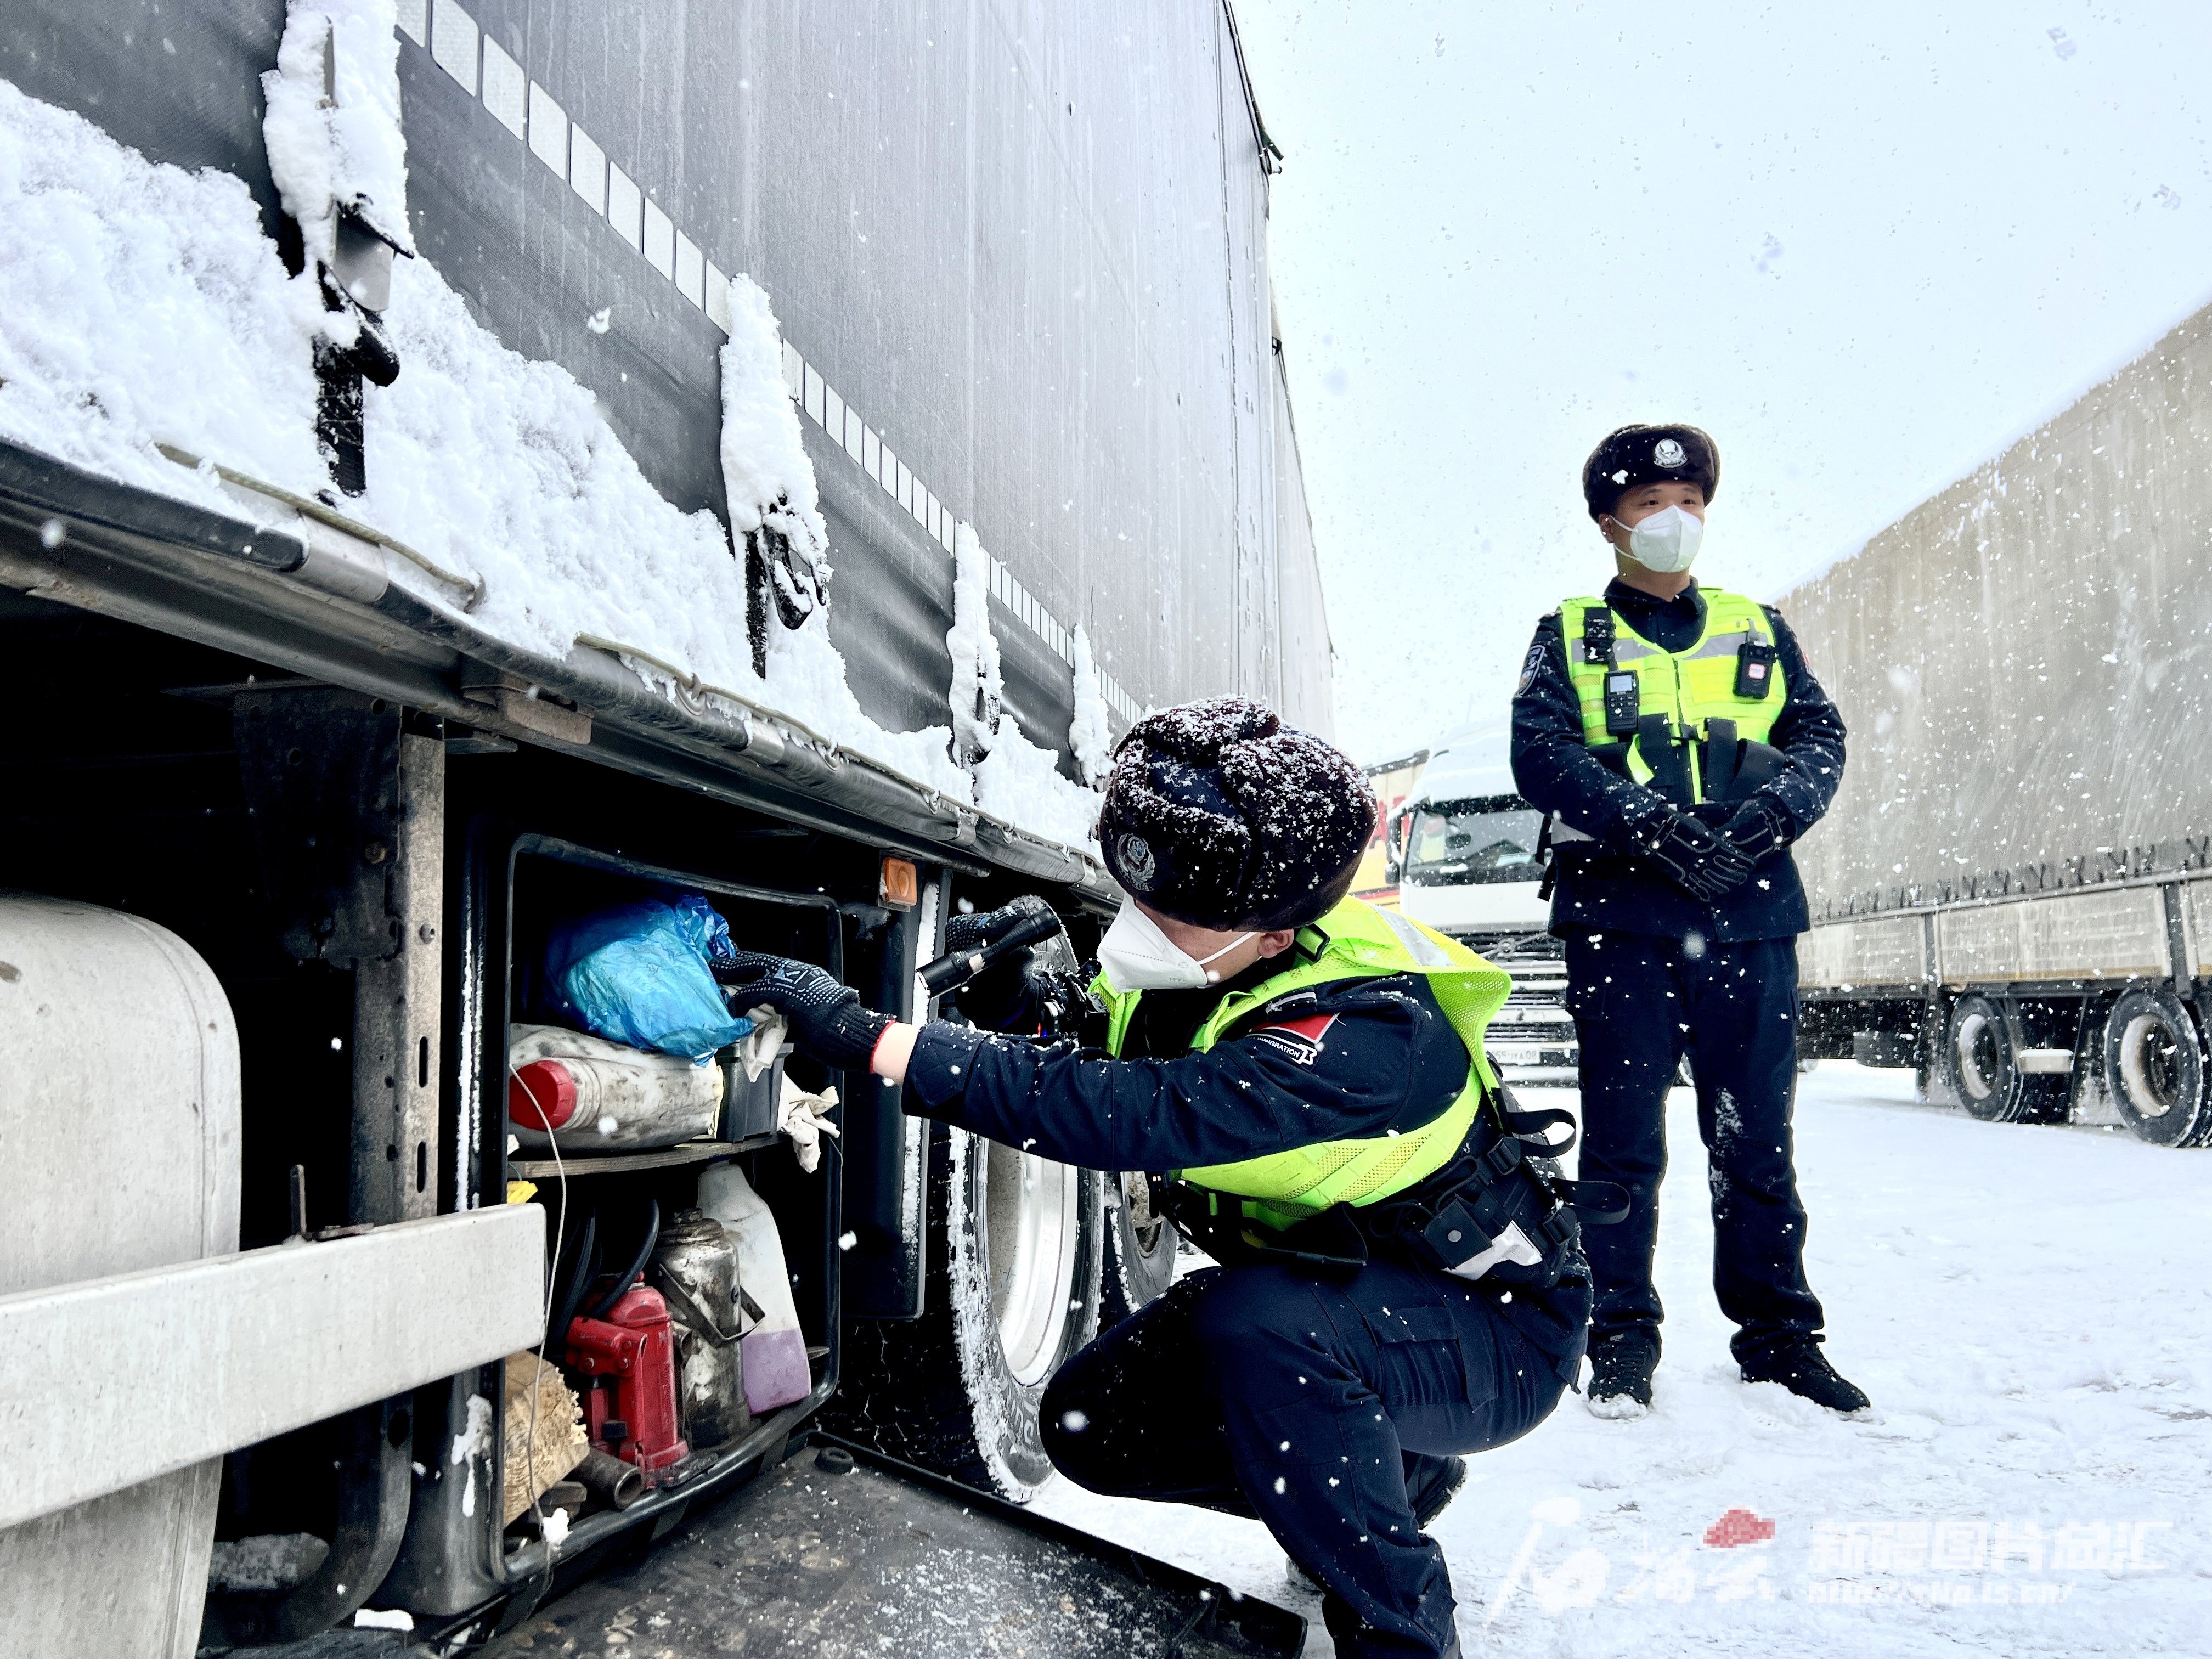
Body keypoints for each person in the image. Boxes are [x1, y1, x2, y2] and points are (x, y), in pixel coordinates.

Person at [726, 698, 1593, 1659]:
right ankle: (1395, 1474)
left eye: (1163, 914)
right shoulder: (1230, 955)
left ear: (1270, 936)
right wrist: (1041, 1004)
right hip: (1356, 1294)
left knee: (1261, 1332)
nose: (1136, 927)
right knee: (1092, 1427)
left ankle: (1402, 1625)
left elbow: (1139, 1112)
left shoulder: (1369, 1040)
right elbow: (1114, 1048)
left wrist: (872, 1039)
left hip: (1496, 1332)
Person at [1509, 422, 1867, 1419]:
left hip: (1748, 917)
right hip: (1623, 918)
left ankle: (1780, 1338)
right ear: (1609, 525)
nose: (1675, 522)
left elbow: (1820, 737)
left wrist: (1768, 818)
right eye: (1651, 507)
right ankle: (1619, 1339)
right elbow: (1539, 756)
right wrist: (1654, 827)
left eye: (1691, 505)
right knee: (1624, 1144)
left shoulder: (1757, 625)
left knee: (1755, 1138)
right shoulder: (1571, 633)